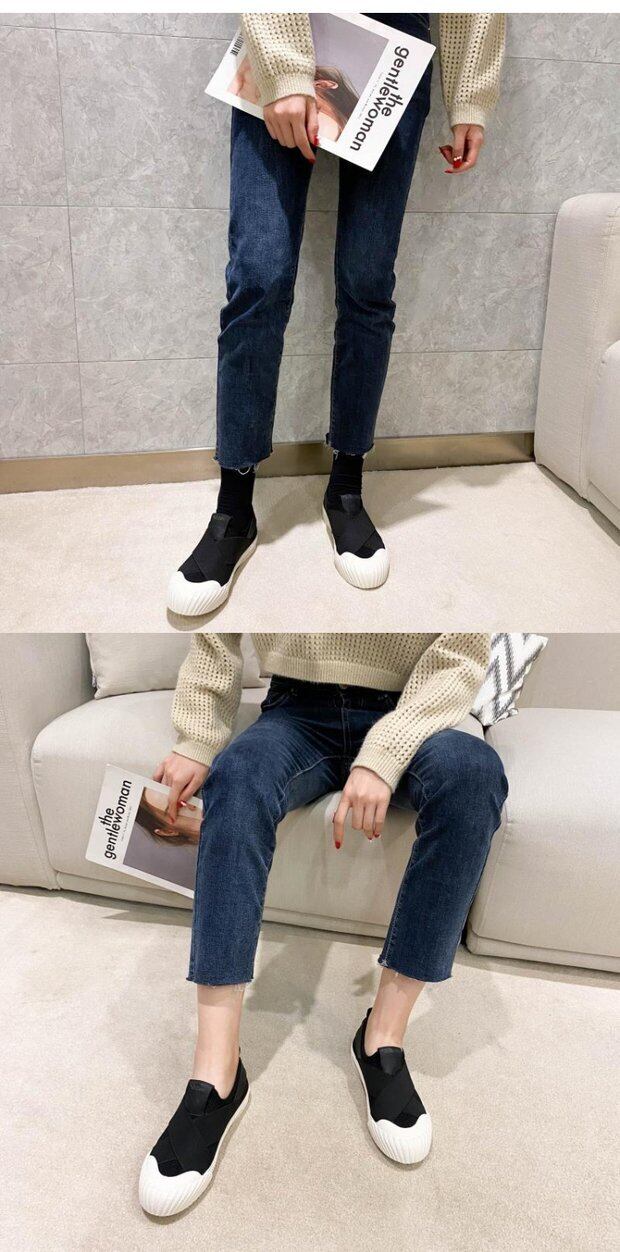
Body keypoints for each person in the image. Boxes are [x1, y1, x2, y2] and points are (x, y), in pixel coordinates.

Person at [139, 633, 508, 1216]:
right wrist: (198, 738)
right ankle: (217, 1074)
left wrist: (383, 755)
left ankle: (381, 1039)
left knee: (475, 774)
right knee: (238, 777)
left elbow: (459, 655)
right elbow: (217, 636)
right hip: (296, 710)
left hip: (410, 711)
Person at [167, 14, 506, 614]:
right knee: (259, 278)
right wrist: (284, 64)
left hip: (399, 54)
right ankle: (234, 508)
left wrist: (470, 97)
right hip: (294, 27)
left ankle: (346, 487)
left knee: (367, 284)